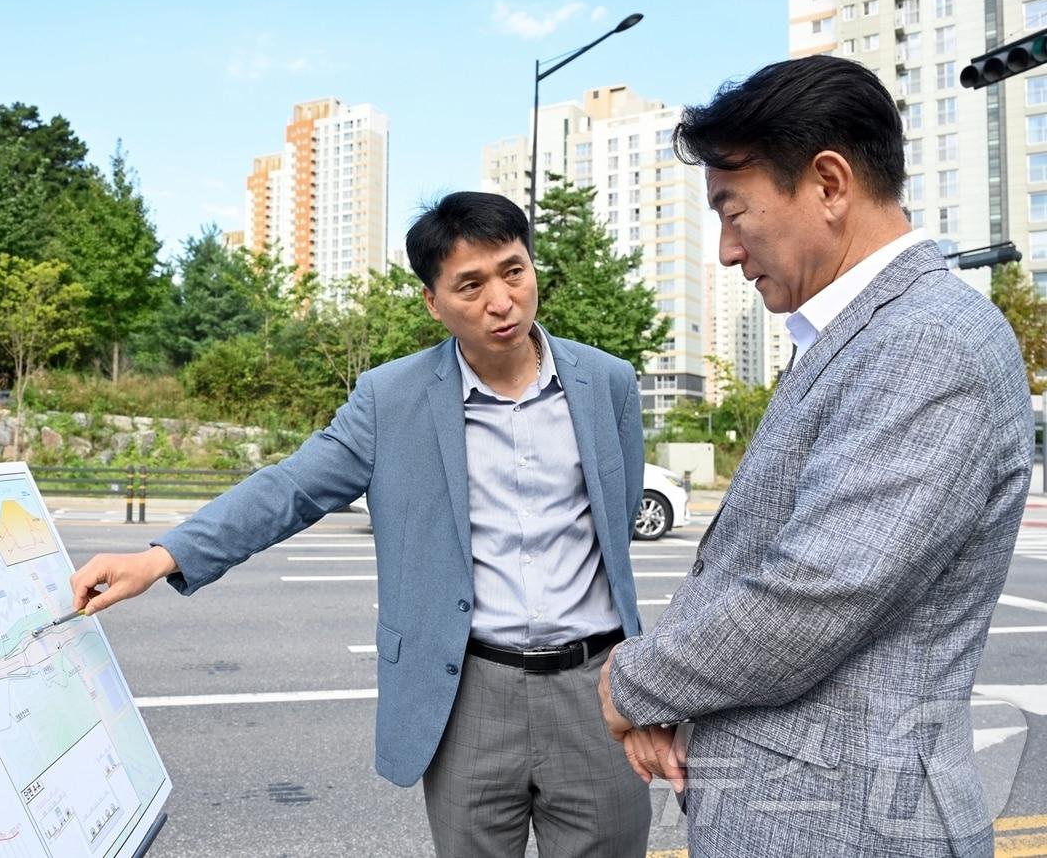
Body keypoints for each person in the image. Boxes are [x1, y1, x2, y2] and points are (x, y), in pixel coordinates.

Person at [73, 191, 654, 856]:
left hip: (598, 686)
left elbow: (617, 525)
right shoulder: (391, 399)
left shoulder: (607, 383)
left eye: (513, 271)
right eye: (471, 284)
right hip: (467, 693)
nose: (501, 301)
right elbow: (291, 487)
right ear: (433, 302)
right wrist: (159, 558)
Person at [596, 55, 1034, 857]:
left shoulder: (927, 342)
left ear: (829, 184)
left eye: (734, 212)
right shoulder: (857, 333)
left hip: (851, 827)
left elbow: (816, 592)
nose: (727, 251)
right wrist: (677, 703)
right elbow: (752, 559)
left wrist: (632, 684)